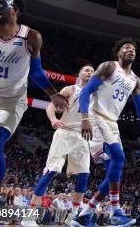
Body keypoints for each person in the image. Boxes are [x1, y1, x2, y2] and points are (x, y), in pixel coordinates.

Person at [0, 0, 68, 209]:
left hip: (11, 100)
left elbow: (35, 72)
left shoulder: (31, 37)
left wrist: (52, 93)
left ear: (14, 9)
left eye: (1, 5)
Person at [71, 39, 140, 227]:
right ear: (118, 53)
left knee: (112, 174)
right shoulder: (109, 67)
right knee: (119, 157)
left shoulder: (136, 80)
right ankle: (115, 212)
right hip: (95, 116)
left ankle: (85, 215)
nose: (131, 50)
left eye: (134, 49)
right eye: (126, 48)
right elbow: (86, 92)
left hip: (112, 123)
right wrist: (84, 118)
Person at [27, 65, 95, 225]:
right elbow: (50, 106)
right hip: (64, 133)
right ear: (79, 73)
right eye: (86, 70)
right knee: (51, 172)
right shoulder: (70, 89)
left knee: (84, 175)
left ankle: (73, 215)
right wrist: (53, 120)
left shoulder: (96, 94)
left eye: (92, 71)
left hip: (82, 137)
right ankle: (28, 216)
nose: (89, 73)